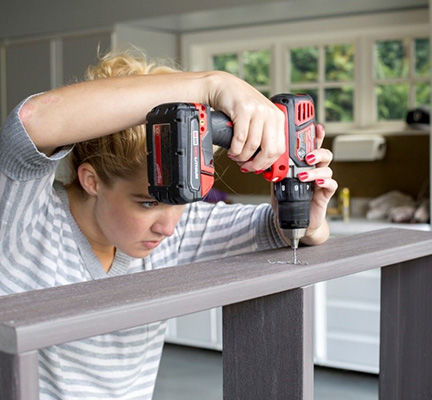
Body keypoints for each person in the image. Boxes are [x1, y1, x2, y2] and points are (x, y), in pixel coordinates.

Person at [0, 50, 337, 399]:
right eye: (148, 202)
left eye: (181, 202)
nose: (169, 227)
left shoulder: (178, 228)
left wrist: (306, 220)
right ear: (91, 181)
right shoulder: (24, 222)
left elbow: (284, 233)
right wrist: (214, 84)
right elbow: (34, 120)